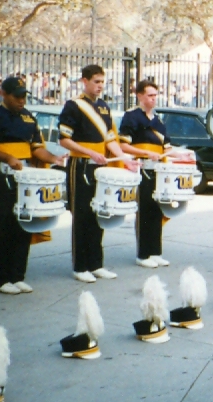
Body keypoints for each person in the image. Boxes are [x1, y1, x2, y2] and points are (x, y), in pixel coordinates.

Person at [0, 76, 67, 294]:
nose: (21, 100)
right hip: (2, 173)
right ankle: (0, 278)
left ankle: (18, 275)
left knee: (24, 223)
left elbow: (36, 148)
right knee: (3, 224)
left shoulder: (27, 117)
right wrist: (7, 158)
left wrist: (54, 159)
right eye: (16, 96)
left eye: (24, 96)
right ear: (3, 94)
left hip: (25, 176)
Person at [58, 65, 139, 283]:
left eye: (102, 81)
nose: (100, 86)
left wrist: (125, 159)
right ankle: (80, 266)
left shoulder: (104, 107)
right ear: (84, 81)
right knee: (82, 214)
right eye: (96, 81)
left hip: (100, 166)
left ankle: (96, 263)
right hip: (81, 164)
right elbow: (64, 139)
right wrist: (90, 152)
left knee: (98, 213)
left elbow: (111, 139)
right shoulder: (73, 105)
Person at [118, 80, 194, 268]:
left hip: (159, 169)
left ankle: (155, 251)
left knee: (156, 210)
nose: (153, 99)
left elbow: (166, 147)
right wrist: (144, 153)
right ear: (140, 96)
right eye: (150, 95)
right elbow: (123, 144)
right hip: (142, 167)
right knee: (144, 210)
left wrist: (181, 155)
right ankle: (143, 254)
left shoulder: (158, 121)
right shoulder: (132, 117)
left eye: (155, 95)